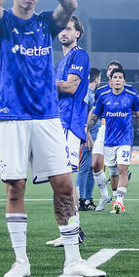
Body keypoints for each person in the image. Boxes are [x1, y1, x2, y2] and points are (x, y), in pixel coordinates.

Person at [0, 0, 103, 277]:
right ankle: (21, 261)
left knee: (65, 185)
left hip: (48, 118)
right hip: (12, 117)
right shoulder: (2, 23)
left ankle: (73, 260)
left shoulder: (45, 25)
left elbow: (70, 3)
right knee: (14, 188)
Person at [45, 15, 90, 247]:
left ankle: (74, 230)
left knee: (65, 179)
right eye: (61, 28)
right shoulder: (60, 61)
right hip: (59, 122)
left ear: (77, 33)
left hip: (70, 123)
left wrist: (42, 84)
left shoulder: (79, 55)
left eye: (69, 28)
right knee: (61, 178)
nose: (63, 32)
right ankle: (69, 230)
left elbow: (71, 87)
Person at [86, 68, 139, 214]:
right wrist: (86, 129)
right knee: (113, 172)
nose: (118, 80)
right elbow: (95, 116)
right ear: (111, 80)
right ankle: (115, 200)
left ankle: (120, 201)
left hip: (125, 139)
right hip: (109, 140)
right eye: (115, 77)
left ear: (124, 80)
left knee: (122, 169)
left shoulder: (132, 95)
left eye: (121, 77)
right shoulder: (103, 96)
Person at [90, 61, 123, 212]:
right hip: (103, 130)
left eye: (114, 70)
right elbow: (95, 110)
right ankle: (105, 195)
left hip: (118, 132)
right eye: (109, 70)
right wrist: (86, 127)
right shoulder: (101, 92)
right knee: (96, 164)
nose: (111, 72)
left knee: (113, 170)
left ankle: (117, 202)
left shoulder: (127, 92)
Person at [77, 67, 101, 211]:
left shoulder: (91, 94)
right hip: (89, 136)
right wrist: (88, 136)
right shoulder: (88, 95)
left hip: (96, 135)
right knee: (85, 167)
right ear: (97, 79)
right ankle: (81, 200)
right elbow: (83, 117)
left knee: (92, 167)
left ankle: (88, 199)